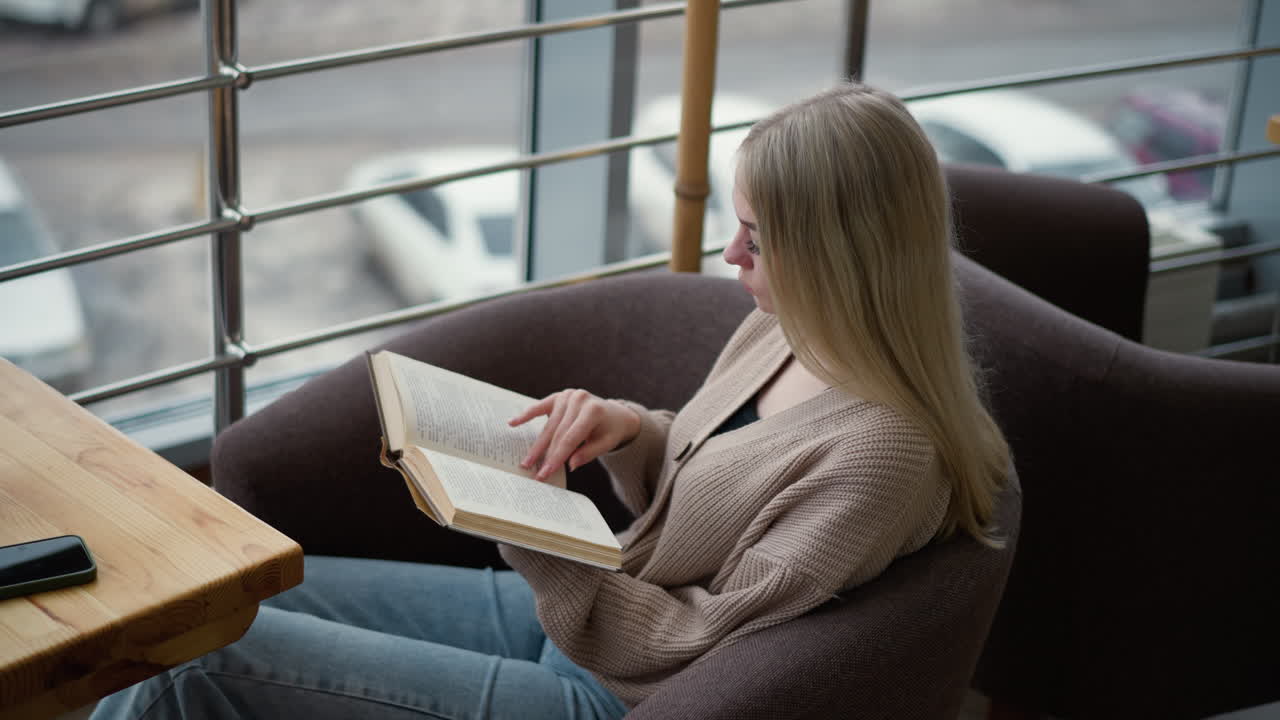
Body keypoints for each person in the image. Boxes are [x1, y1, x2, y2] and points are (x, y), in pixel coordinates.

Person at [90, 81, 1009, 720]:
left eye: (758, 240)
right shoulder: (793, 328)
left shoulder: (881, 463)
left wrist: (537, 537)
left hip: (618, 694)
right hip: (594, 614)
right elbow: (702, 501)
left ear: (839, 260)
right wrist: (628, 432)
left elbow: (702, 645)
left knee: (192, 675)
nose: (729, 256)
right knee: (228, 604)